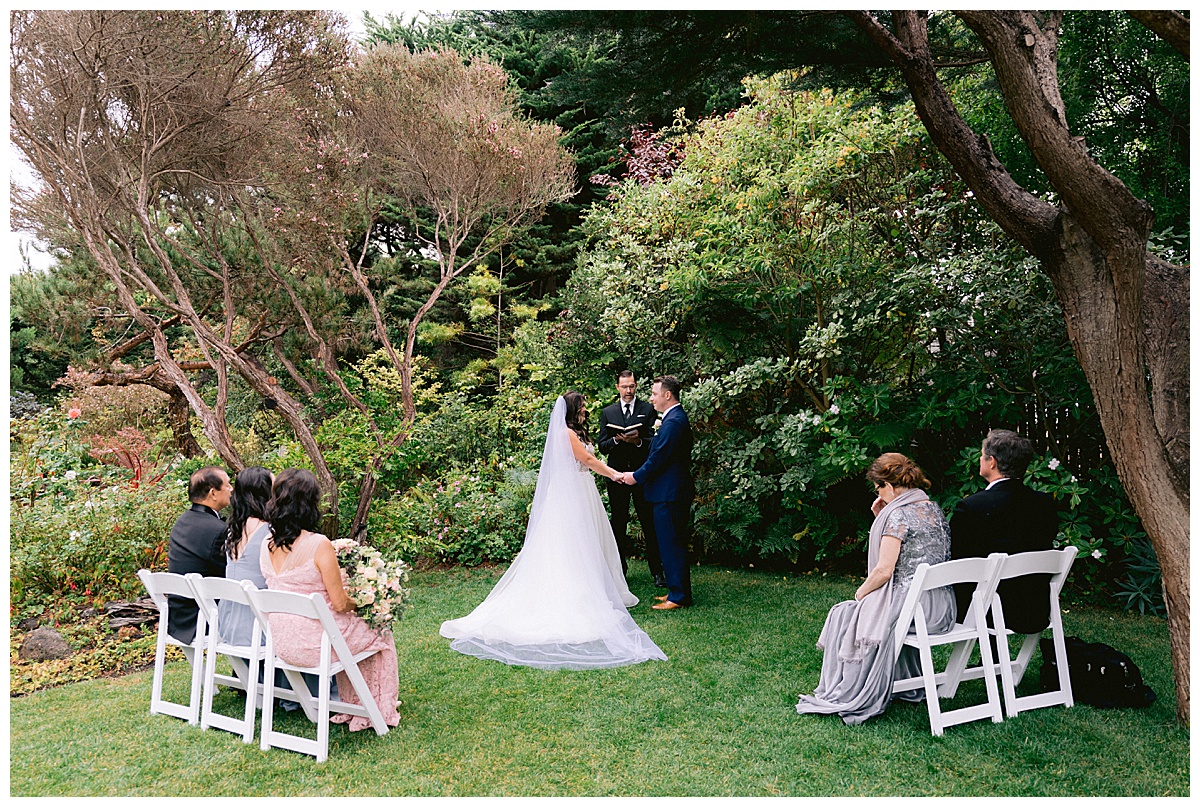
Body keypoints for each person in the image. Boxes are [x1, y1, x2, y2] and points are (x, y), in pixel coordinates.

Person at [440, 393, 667, 669]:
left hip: (584, 493)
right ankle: (575, 597)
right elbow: (589, 461)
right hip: (570, 498)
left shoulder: (576, 431)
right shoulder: (566, 434)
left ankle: (599, 590)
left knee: (591, 544)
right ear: (572, 410)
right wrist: (616, 474)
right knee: (570, 548)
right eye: (582, 407)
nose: (585, 410)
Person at [795, 453, 955, 725]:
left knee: (846, 611)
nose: (878, 493)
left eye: (878, 487)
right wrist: (882, 517)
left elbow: (884, 570)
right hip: (941, 607)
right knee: (856, 611)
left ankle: (848, 688)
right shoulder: (933, 508)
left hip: (913, 609)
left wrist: (861, 593)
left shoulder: (898, 515)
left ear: (889, 486)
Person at [260, 469, 399, 730]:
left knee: (353, 630)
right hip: (317, 647)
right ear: (309, 503)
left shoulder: (265, 544)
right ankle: (374, 707)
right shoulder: (318, 544)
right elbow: (340, 603)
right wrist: (367, 602)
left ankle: (359, 704)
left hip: (283, 644)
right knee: (380, 630)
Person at [950, 429, 1060, 634]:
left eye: (982, 456)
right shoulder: (1044, 504)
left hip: (982, 610)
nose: (980, 460)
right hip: (1033, 608)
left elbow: (957, 561)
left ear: (992, 462)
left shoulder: (971, 507)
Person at [620, 376, 694, 610]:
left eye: (654, 393)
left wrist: (635, 476)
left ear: (667, 395)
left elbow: (659, 458)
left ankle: (678, 596)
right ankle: (676, 590)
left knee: (672, 543)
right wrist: (641, 442)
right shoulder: (672, 419)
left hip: (669, 493)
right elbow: (658, 448)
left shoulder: (673, 422)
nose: (651, 398)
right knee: (670, 542)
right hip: (668, 492)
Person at [598, 370, 664, 587]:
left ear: (636, 386)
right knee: (618, 523)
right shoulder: (608, 412)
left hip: (641, 475)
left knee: (649, 522)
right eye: (624, 386)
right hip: (616, 477)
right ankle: (620, 572)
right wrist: (617, 440)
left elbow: (654, 442)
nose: (628, 391)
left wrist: (637, 442)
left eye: (632, 386)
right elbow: (602, 446)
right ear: (617, 387)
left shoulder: (647, 409)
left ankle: (657, 571)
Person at [167, 466, 232, 642]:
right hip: (203, 617)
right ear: (213, 493)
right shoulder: (217, 530)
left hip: (180, 616)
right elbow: (229, 574)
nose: (231, 489)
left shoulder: (182, 521)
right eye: (227, 485)